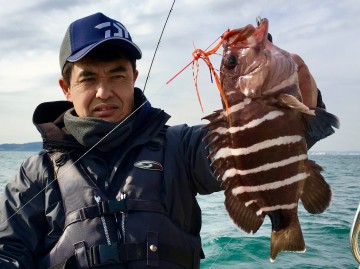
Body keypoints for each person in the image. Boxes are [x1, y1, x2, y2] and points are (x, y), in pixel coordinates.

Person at [0, 13, 324, 269]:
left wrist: (303, 114)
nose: (104, 91)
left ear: (134, 79)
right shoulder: (35, 175)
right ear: (65, 88)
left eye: (117, 75)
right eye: (88, 78)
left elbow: (251, 153)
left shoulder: (181, 147)